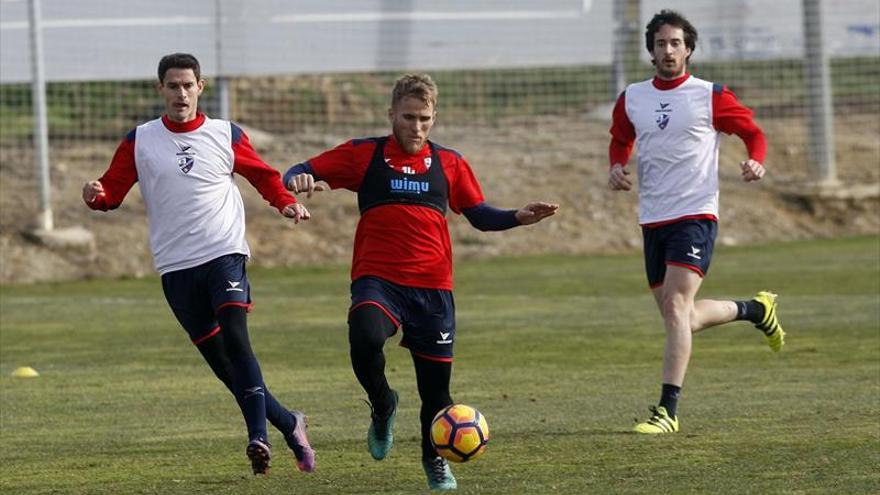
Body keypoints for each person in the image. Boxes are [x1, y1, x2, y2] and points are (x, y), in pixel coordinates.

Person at [283, 74, 558, 490]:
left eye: (425, 119)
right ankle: (382, 404)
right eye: (408, 117)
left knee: (436, 393)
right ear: (392, 114)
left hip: (433, 289)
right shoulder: (365, 154)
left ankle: (434, 458)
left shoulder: (449, 162)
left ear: (434, 118)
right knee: (364, 334)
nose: (416, 127)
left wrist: (517, 217)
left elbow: (479, 213)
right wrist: (298, 179)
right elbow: (302, 169)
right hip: (379, 280)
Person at [82, 53, 316, 474]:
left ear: (200, 87)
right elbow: (111, 192)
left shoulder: (225, 134)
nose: (181, 93)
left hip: (223, 252)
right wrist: (95, 194)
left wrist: (285, 202)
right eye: (172, 86)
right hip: (175, 267)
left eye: (188, 85)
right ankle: (288, 422)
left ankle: (256, 438)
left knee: (236, 336)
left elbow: (262, 175)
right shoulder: (141, 140)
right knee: (226, 369)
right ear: (160, 90)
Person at [607, 10, 786, 434]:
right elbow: (620, 137)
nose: (667, 51)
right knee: (681, 319)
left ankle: (667, 411)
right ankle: (755, 309)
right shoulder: (632, 97)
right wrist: (617, 166)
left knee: (674, 308)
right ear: (650, 50)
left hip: (696, 213)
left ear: (688, 49)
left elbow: (754, 134)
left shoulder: (710, 95)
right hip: (653, 218)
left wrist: (756, 161)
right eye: (660, 44)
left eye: (675, 43)